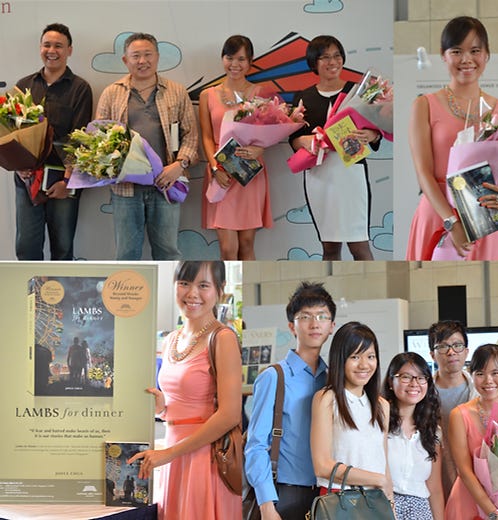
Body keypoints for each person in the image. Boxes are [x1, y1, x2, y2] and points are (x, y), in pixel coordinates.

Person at [128, 261, 242, 518]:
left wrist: (169, 454)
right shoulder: (170, 340)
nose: (192, 293)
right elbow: (182, 405)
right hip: (172, 454)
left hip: (204, 459)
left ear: (219, 290)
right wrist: (162, 408)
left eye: (203, 285)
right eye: (184, 283)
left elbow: (230, 415)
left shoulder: (223, 338)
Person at [406, 16, 498, 261]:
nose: (466, 59)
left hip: (486, 217)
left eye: (475, 50)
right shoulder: (424, 105)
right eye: (457, 51)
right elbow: (423, 173)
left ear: (487, 55)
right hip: (439, 214)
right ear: (443, 55)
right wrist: (452, 222)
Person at [96, 32, 199, 260]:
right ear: (125, 60)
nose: (142, 61)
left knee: (168, 253)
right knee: (126, 254)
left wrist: (179, 165)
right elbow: (99, 142)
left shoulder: (176, 91)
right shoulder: (111, 93)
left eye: (147, 55)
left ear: (158, 57)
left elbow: (191, 135)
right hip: (125, 189)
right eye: (136, 56)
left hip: (165, 185)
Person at [245, 282, 336, 520]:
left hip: (327, 495)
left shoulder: (333, 380)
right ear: (292, 326)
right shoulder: (274, 377)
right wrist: (266, 505)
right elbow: (255, 446)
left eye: (321, 316)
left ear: (332, 326)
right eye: (305, 316)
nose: (314, 323)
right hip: (283, 495)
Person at [288, 35, 380, 261]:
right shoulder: (303, 97)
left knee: (359, 246)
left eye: (337, 55)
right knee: (329, 248)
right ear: (314, 63)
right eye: (325, 57)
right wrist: (305, 142)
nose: (332, 62)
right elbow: (293, 138)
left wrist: (371, 135)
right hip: (319, 176)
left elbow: (377, 132)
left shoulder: (359, 92)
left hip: (352, 174)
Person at [14, 23, 92, 260]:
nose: (52, 50)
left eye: (58, 45)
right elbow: (10, 132)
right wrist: (18, 166)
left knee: (63, 247)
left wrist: (68, 181)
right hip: (28, 178)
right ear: (40, 48)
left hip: (62, 181)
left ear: (69, 50)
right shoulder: (24, 85)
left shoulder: (80, 88)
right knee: (26, 246)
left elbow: (80, 140)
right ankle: (29, 296)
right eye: (47, 44)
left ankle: (61, 297)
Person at [199, 35, 275, 260]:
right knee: (227, 248)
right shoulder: (207, 95)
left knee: (247, 243)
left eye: (241, 59)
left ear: (250, 61)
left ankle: (246, 288)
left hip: (249, 172)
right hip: (221, 172)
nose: (235, 64)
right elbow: (205, 136)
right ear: (222, 59)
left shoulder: (261, 94)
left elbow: (269, 132)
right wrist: (215, 168)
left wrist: (260, 150)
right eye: (229, 57)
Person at [445, 344, 498, 520]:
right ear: (472, 375)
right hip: (468, 502)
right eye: (480, 374)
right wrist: (493, 512)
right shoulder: (459, 415)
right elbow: (464, 470)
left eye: (495, 373)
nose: (488, 380)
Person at [309, 322, 392, 498]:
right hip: (340, 500)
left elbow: (384, 465)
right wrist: (378, 480)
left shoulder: (382, 406)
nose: (364, 365)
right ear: (340, 359)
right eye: (355, 357)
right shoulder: (326, 399)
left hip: (376, 501)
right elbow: (322, 466)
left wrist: (390, 503)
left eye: (370, 356)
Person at [382, 352, 445, 519]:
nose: (414, 383)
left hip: (420, 511)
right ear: (390, 382)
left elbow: (435, 488)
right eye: (406, 377)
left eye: (421, 377)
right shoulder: (378, 424)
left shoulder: (432, 431)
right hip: (382, 508)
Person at [428, 320, 478, 501]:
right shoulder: (421, 396)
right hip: (434, 485)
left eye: (457, 345)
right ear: (432, 354)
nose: (451, 352)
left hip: (476, 485)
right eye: (443, 347)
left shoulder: (480, 393)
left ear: (466, 351)